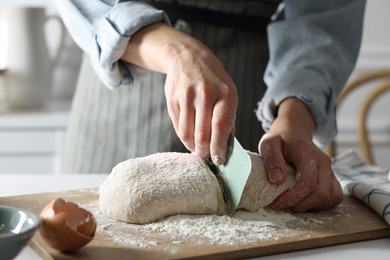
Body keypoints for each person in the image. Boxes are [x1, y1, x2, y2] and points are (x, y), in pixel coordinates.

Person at [52, 0, 366, 212]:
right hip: (124, 76)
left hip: (250, 96)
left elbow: (325, 16)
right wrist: (173, 49)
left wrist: (295, 115)